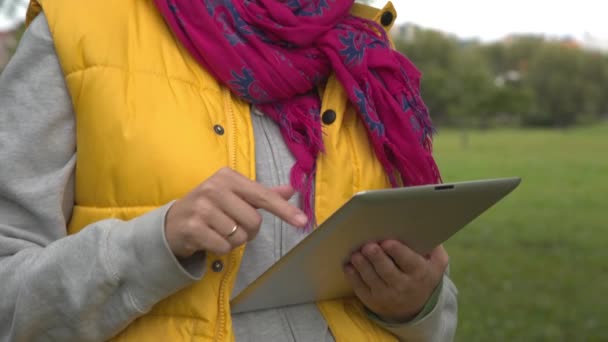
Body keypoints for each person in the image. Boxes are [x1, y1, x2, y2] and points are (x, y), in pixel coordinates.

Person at [0, 0, 458, 340]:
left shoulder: (365, 48)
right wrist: (156, 242)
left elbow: (432, 291)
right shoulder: (79, 25)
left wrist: (415, 306)